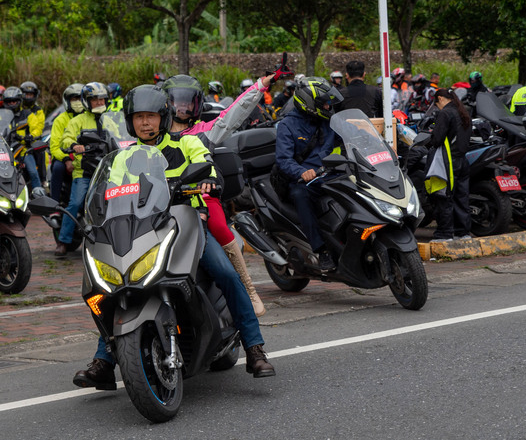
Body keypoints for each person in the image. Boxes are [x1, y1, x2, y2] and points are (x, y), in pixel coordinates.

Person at [72, 85, 275, 390]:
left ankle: (254, 348)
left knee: (225, 273)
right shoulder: (122, 160)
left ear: (162, 118)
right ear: (130, 121)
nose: (145, 123)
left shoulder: (187, 143)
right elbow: (108, 196)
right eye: (138, 117)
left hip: (186, 225)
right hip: (141, 232)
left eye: (150, 116)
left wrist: (208, 179)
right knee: (111, 287)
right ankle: (105, 360)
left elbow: (208, 166)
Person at [164, 73, 275, 316]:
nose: (181, 107)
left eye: (187, 102)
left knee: (220, 227)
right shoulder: (153, 135)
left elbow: (235, 113)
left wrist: (259, 86)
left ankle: (249, 289)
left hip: (199, 197)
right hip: (161, 200)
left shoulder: (205, 132)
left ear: (197, 104)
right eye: (176, 101)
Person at [275, 77, 342, 271]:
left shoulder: (329, 120)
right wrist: (302, 171)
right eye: (325, 103)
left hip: (330, 173)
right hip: (303, 180)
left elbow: (348, 138)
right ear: (310, 104)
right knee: (300, 195)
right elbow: (283, 160)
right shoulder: (288, 125)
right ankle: (321, 250)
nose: (329, 106)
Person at [54, 82, 110, 255]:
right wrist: (74, 145)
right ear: (87, 101)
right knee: (75, 203)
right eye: (95, 100)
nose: (100, 103)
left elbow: (120, 134)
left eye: (102, 100)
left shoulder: (109, 119)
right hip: (84, 170)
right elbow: (65, 139)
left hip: (106, 169)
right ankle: (63, 241)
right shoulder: (77, 121)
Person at [426, 89, 472, 241]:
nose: (437, 107)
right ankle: (463, 233)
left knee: (444, 196)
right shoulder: (463, 112)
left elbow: (437, 139)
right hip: (463, 160)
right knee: (461, 197)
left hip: (448, 161)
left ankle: (444, 234)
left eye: (436, 103)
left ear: (440, 98)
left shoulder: (445, 113)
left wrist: (430, 138)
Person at [4, 86, 45, 197]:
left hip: (23, 150)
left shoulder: (27, 114)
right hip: (4, 151)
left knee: (33, 172)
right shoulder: (0, 116)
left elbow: (37, 128)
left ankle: (39, 195)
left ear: (20, 101)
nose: (12, 103)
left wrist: (30, 136)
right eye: (9, 101)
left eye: (14, 101)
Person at [49, 83, 83, 203]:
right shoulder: (60, 120)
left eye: (80, 98)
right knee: (58, 168)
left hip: (86, 156)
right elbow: (54, 147)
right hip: (64, 157)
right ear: (68, 101)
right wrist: (66, 160)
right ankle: (54, 204)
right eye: (74, 99)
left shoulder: (90, 117)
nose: (78, 102)